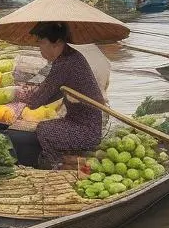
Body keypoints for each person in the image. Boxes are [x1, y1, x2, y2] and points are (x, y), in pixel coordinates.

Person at [9, 21, 107, 168]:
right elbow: (52, 93)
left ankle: (58, 166)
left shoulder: (66, 63)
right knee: (42, 127)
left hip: (87, 130)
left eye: (41, 43)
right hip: (76, 121)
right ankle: (62, 161)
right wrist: (32, 91)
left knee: (44, 129)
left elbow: (37, 100)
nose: (40, 49)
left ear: (57, 42)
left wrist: (14, 94)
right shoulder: (68, 57)